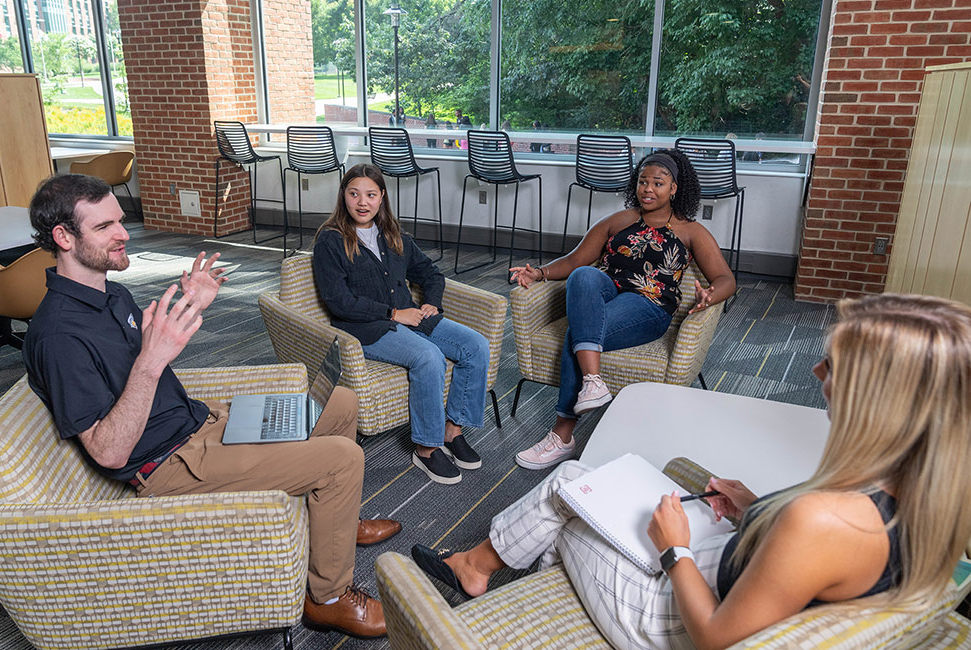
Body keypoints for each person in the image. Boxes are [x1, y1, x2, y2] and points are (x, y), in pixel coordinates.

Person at [411, 293, 971, 650]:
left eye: (835, 364)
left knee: (571, 487)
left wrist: (674, 548)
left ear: (885, 401)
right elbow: (815, 565)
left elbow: (713, 639)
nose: (816, 368)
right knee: (588, 491)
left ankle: (482, 574)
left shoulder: (823, 520)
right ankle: (497, 578)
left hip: (678, 616)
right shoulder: (934, 505)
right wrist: (754, 509)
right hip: (731, 572)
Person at [21, 174, 400, 640]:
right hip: (168, 464)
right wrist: (151, 363)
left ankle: (336, 519)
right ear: (63, 237)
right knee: (344, 459)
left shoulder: (109, 292)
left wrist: (190, 303)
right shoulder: (59, 335)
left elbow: (148, 348)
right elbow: (109, 451)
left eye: (121, 220)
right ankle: (328, 599)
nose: (123, 233)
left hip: (198, 421)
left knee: (339, 403)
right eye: (104, 228)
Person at [509, 149, 735, 470]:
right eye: (643, 181)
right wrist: (540, 273)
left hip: (649, 306)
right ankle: (594, 383)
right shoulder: (619, 221)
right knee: (584, 275)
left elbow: (726, 278)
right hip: (606, 292)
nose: (648, 189)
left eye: (658, 183)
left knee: (578, 333)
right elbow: (576, 260)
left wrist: (711, 295)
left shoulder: (690, 231)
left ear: (674, 189)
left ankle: (562, 434)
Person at [312, 164, 490, 487]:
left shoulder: (393, 234)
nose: (362, 202)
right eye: (354, 194)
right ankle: (425, 447)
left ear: (382, 197)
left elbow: (431, 274)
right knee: (428, 357)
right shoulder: (330, 241)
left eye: (370, 194)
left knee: (475, 346)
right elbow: (338, 302)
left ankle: (453, 431)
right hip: (367, 329)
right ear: (344, 197)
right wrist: (394, 314)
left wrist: (431, 302)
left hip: (411, 317)